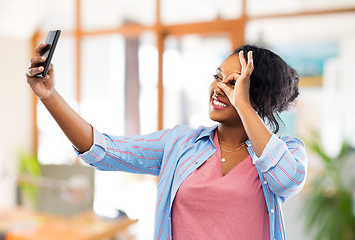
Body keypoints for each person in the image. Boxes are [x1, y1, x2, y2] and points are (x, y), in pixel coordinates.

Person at [26, 43, 307, 240]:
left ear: (257, 96)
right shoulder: (180, 144)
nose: (217, 87)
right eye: (217, 77)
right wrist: (48, 95)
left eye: (233, 83)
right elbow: (102, 150)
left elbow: (286, 179)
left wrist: (243, 106)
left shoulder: (287, 152)